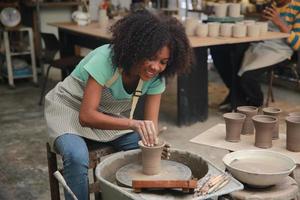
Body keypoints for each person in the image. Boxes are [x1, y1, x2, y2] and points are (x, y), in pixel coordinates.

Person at [44, 10, 193, 200]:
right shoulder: (106, 59)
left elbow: (150, 124)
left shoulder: (156, 78)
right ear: (136, 49)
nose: (156, 67)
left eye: (163, 62)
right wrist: (133, 124)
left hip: (104, 116)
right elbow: (87, 116)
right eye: (151, 57)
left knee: (143, 149)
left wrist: (153, 141)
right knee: (76, 156)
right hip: (68, 109)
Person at [211, 0, 300, 111]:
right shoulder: (272, 5)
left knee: (247, 76)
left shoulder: (297, 9)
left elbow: (298, 44)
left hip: (280, 50)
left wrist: (279, 22)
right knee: (224, 53)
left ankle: (255, 104)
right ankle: (237, 100)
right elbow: (262, 27)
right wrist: (262, 20)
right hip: (261, 43)